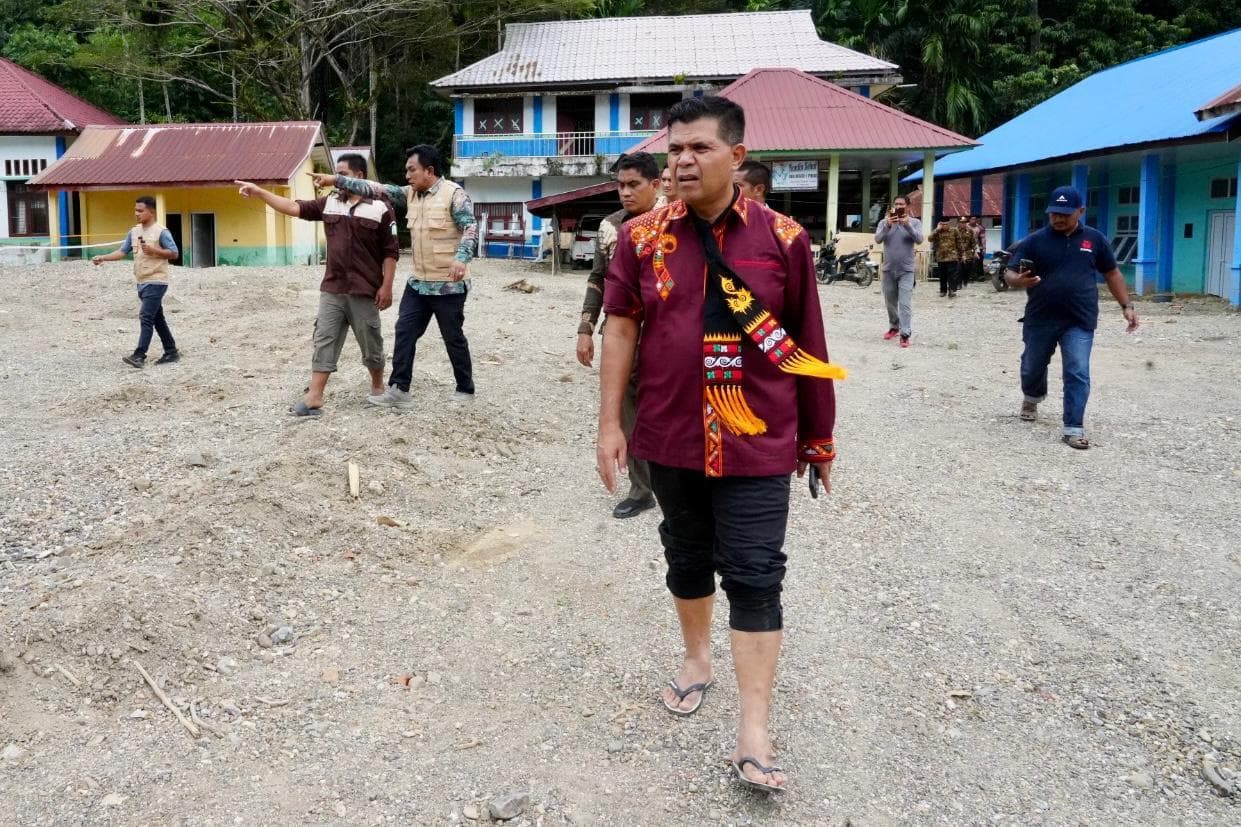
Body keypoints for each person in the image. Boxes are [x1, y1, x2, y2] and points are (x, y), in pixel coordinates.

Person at [599, 96, 843, 794]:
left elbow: (805, 345)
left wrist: (819, 438)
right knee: (684, 552)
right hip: (669, 433)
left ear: (735, 157)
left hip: (757, 435)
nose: (680, 160)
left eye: (698, 148)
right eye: (675, 148)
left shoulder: (785, 238)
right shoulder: (639, 238)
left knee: (756, 572)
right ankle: (696, 657)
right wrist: (609, 424)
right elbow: (620, 329)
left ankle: (754, 730)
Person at [235, 153, 398, 416]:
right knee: (324, 339)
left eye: (342, 173)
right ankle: (314, 396)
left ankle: (378, 386)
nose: (336, 179)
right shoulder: (330, 203)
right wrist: (260, 192)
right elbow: (292, 207)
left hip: (364, 289)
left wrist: (386, 286)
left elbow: (390, 252)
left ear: (358, 176)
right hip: (332, 288)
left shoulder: (381, 207)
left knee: (371, 341)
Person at [323, 145, 478, 408]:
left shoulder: (455, 194)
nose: (407, 175)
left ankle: (465, 389)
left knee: (452, 336)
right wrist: (338, 180)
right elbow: (375, 188)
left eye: (411, 170)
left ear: (429, 171)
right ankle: (399, 390)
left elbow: (471, 228)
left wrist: (461, 259)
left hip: (448, 286)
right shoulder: (410, 194)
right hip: (418, 284)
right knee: (404, 332)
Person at [1005, 186, 1139, 449]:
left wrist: (1127, 305)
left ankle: (1073, 427)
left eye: (1065, 213)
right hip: (1040, 317)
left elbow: (1112, 274)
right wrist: (1018, 280)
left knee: (1077, 371)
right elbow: (1009, 274)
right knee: (1032, 365)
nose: (1058, 218)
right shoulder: (1034, 241)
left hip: (1080, 318)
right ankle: (1032, 396)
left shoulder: (1095, 239)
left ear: (1081, 211)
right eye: (1054, 213)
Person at [577, 152, 662, 519]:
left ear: (655, 185)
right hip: (623, 331)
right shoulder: (611, 227)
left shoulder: (675, 222)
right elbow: (599, 278)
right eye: (620, 185)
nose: (625, 193)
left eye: (634, 185)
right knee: (628, 411)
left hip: (667, 332)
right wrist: (585, 328)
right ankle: (642, 490)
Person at [91, 196, 180, 368]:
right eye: (135, 210)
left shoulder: (161, 231)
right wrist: (103, 257)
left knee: (146, 316)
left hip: (157, 280)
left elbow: (174, 253)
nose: (136, 213)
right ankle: (171, 352)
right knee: (157, 318)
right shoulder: (134, 231)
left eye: (140, 210)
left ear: (151, 211)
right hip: (141, 281)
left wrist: (154, 250)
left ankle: (139, 355)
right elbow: (122, 251)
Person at [873, 194, 924, 347]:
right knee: (890, 302)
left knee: (905, 304)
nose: (899, 206)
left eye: (902, 204)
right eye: (897, 204)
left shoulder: (915, 222)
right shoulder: (884, 222)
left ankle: (905, 334)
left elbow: (920, 240)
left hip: (906, 271)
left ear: (908, 206)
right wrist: (888, 225)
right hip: (888, 270)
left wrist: (907, 225)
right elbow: (877, 239)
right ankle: (894, 327)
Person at [930, 216, 962, 297]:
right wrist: (937, 229)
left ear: (949, 224)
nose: (944, 226)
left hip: (952, 257)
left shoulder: (954, 230)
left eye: (946, 224)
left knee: (952, 275)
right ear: (940, 224)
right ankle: (943, 290)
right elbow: (929, 239)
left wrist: (960, 255)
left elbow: (959, 243)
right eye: (942, 224)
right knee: (942, 275)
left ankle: (951, 290)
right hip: (941, 257)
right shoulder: (937, 232)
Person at [954, 215, 977, 289]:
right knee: (958, 268)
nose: (963, 224)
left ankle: (965, 280)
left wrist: (975, 251)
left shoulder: (970, 230)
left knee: (967, 268)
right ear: (958, 223)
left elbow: (973, 242)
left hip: (968, 252)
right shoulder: (954, 230)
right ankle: (958, 283)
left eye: (964, 222)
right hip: (958, 252)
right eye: (961, 222)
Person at [968, 215, 987, 282]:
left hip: (977, 246)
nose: (974, 220)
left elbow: (983, 238)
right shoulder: (965, 226)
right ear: (969, 220)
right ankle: (969, 276)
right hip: (966, 246)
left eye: (975, 219)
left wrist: (984, 248)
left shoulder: (980, 228)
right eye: (972, 219)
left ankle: (980, 276)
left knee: (979, 260)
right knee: (969, 261)